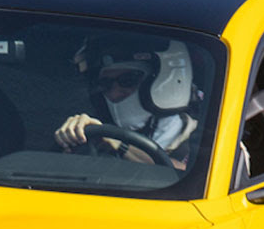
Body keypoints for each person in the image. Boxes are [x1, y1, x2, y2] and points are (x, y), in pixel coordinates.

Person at [54, 35, 199, 168]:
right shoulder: (99, 142)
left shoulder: (208, 139)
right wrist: (75, 136)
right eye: (105, 84)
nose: (114, 93)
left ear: (166, 82)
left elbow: (192, 178)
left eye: (128, 80)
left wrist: (120, 144)